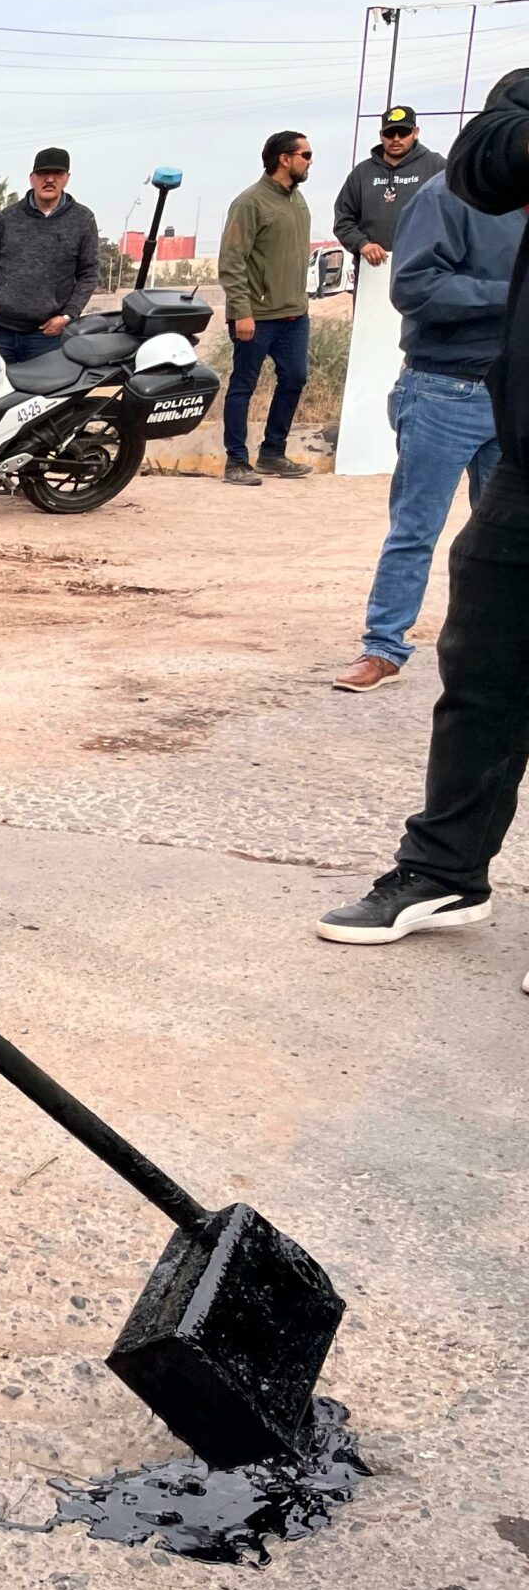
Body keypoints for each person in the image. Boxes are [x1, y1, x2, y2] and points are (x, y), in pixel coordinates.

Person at [317, 68, 529, 968]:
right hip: (467, 403)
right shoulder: (461, 181)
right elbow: (425, 279)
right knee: (480, 662)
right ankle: (445, 871)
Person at [333, 170, 519, 693]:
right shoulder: (444, 197)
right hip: (444, 390)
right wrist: (514, 292)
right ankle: (384, 648)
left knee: (509, 535)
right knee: (416, 529)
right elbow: (414, 286)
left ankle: (497, 654)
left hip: (515, 392)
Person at [218, 131, 316, 486]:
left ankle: (272, 453)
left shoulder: (298, 200)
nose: (310, 161)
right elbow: (231, 261)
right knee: (243, 385)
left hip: (294, 315)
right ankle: (236, 462)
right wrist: (242, 311)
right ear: (284, 159)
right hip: (256, 318)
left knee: (295, 378)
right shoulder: (250, 202)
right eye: (305, 154)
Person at [0, 147, 100, 365]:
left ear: (66, 178)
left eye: (57, 173)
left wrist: (68, 316)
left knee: (46, 398)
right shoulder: (8, 218)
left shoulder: (83, 220)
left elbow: (89, 274)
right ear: (32, 178)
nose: (49, 179)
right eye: (43, 174)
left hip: (47, 337)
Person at [332, 104, 443, 274]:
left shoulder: (437, 167)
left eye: (403, 132)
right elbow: (343, 220)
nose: (396, 139)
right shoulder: (361, 173)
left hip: (424, 269)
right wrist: (362, 244)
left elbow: (458, 213)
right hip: (373, 271)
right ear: (381, 135)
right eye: (390, 133)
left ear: (415, 132)